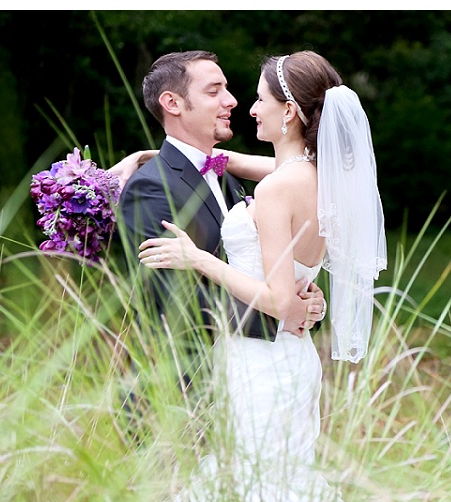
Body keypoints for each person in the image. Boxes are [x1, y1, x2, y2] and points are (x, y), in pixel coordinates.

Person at [136, 50, 386, 502]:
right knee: (284, 481)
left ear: (289, 112)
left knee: (252, 484)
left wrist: (199, 257)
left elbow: (274, 300)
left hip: (260, 364)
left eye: (258, 98)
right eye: (222, 91)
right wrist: (146, 158)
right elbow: (286, 289)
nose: (247, 108)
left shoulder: (275, 189)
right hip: (294, 361)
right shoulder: (320, 178)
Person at [114, 51, 326, 444]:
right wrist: (283, 312)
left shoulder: (234, 180)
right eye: (216, 91)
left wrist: (303, 297)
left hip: (251, 380)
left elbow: (259, 268)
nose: (233, 101)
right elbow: (172, 303)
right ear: (172, 103)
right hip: (180, 399)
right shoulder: (151, 186)